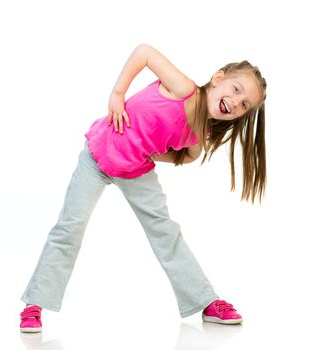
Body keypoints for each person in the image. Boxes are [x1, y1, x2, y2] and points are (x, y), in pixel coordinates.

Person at [19, 43, 267, 332]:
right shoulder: (182, 87)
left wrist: (152, 152)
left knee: (165, 232)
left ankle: (206, 301)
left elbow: (186, 155)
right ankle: (34, 304)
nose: (236, 102)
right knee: (69, 228)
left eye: (244, 105)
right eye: (236, 90)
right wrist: (118, 93)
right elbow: (144, 52)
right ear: (218, 79)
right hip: (98, 153)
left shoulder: (199, 135)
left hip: (135, 170)